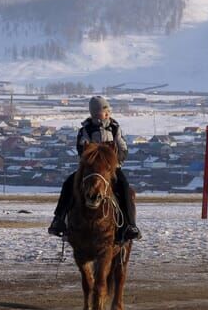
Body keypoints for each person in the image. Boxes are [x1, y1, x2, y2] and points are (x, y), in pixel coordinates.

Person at [48, 96, 141, 240]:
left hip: (111, 169)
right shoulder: (86, 129)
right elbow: (81, 148)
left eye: (107, 111)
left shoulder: (115, 127)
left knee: (124, 187)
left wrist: (115, 162)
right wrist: (90, 158)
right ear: (95, 113)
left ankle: (130, 225)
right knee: (68, 184)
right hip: (90, 169)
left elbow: (123, 148)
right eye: (103, 111)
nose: (106, 113)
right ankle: (59, 219)